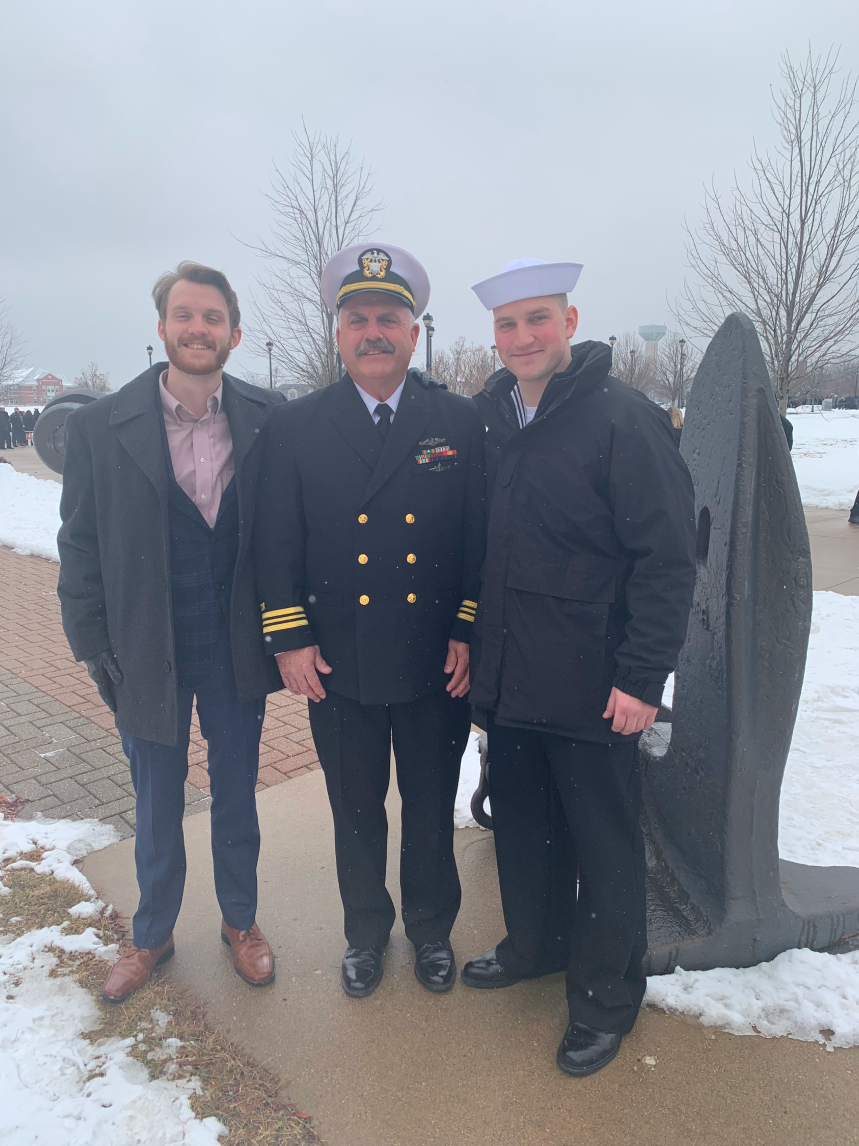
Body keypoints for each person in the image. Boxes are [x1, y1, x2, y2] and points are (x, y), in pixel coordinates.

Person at [463, 257, 696, 1077]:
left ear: (568, 322)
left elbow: (666, 561)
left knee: (602, 849)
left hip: (595, 686)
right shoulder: (492, 417)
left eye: (536, 319)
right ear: (493, 337)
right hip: (511, 680)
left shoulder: (620, 419)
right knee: (524, 831)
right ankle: (534, 945)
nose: (521, 337)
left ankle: (604, 1000)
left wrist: (640, 679)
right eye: (506, 324)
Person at [254, 243, 485, 998]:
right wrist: (289, 638)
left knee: (427, 807)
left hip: (431, 658)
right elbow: (274, 540)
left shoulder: (457, 419)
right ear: (337, 333)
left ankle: (429, 930)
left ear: (415, 332)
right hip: (339, 659)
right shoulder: (294, 426)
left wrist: (468, 627)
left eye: (390, 317)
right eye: (358, 319)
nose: (373, 330)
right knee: (354, 812)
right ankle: (364, 933)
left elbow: (481, 537)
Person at [58, 262, 285, 1003]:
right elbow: (80, 543)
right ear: (161, 329)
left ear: (234, 333)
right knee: (154, 800)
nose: (198, 329)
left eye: (212, 318)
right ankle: (151, 934)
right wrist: (92, 645)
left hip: (233, 649)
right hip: (145, 649)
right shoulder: (102, 424)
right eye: (184, 316)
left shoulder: (265, 414)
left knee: (236, 796)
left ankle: (241, 923)